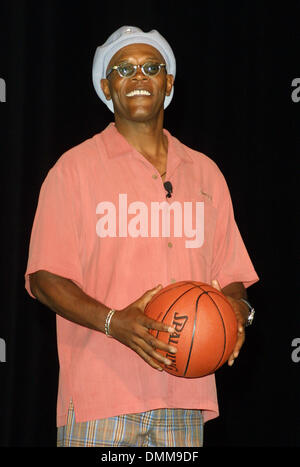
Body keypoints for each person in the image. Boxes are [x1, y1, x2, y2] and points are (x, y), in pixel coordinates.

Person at [25, 26, 258, 447]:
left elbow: (232, 277)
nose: (138, 77)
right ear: (106, 85)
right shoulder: (72, 170)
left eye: (151, 67)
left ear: (168, 83)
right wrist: (115, 323)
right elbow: (44, 279)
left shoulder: (205, 173)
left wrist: (237, 313)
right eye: (124, 69)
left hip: (186, 393)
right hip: (101, 396)